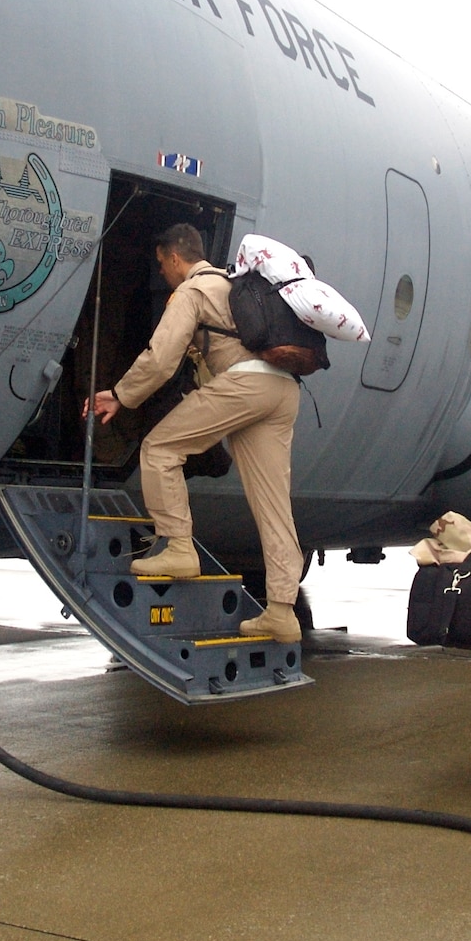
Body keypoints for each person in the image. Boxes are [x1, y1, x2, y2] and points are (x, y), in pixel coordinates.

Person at [83, 223, 305, 642]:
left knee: (160, 449)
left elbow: (161, 357)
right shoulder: (232, 284)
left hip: (245, 386)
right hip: (281, 389)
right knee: (273, 506)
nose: (162, 274)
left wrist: (120, 395)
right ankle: (281, 612)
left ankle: (179, 547)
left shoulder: (192, 290)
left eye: (161, 264)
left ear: (172, 257)